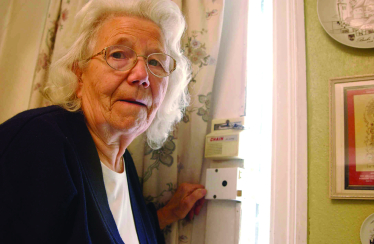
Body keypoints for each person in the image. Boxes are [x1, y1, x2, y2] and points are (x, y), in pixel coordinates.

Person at [0, 0, 207, 243]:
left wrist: (168, 214)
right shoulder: (38, 141)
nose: (142, 76)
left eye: (154, 62)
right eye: (118, 54)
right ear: (79, 75)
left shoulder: (122, 162)